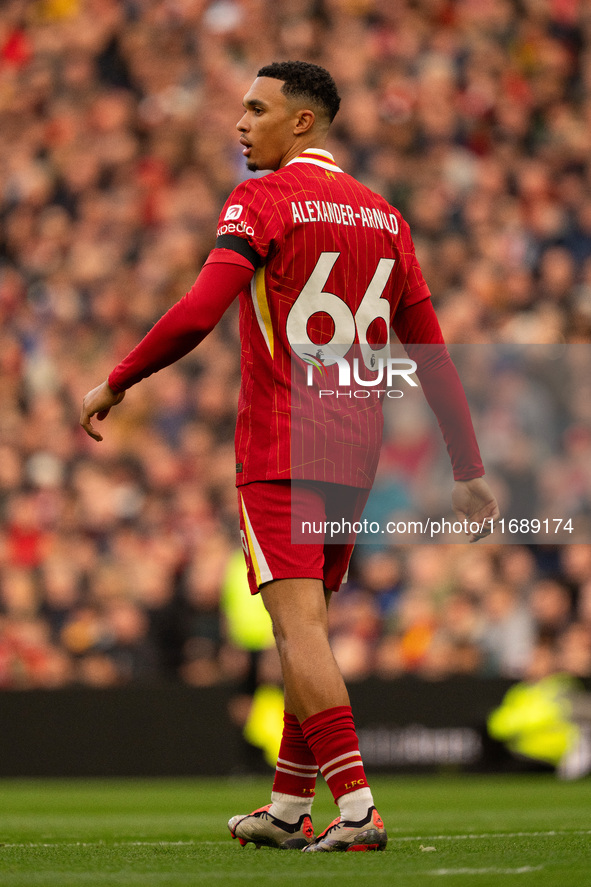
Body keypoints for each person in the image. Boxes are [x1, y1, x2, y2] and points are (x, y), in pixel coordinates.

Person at [80, 60, 499, 852]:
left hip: (282, 443)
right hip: (354, 452)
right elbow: (433, 354)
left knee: (299, 632)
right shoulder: (385, 216)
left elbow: (202, 309)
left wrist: (118, 378)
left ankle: (355, 807)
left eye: (255, 109)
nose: (239, 124)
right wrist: (466, 464)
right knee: (301, 632)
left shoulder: (260, 199)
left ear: (300, 122)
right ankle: (284, 805)